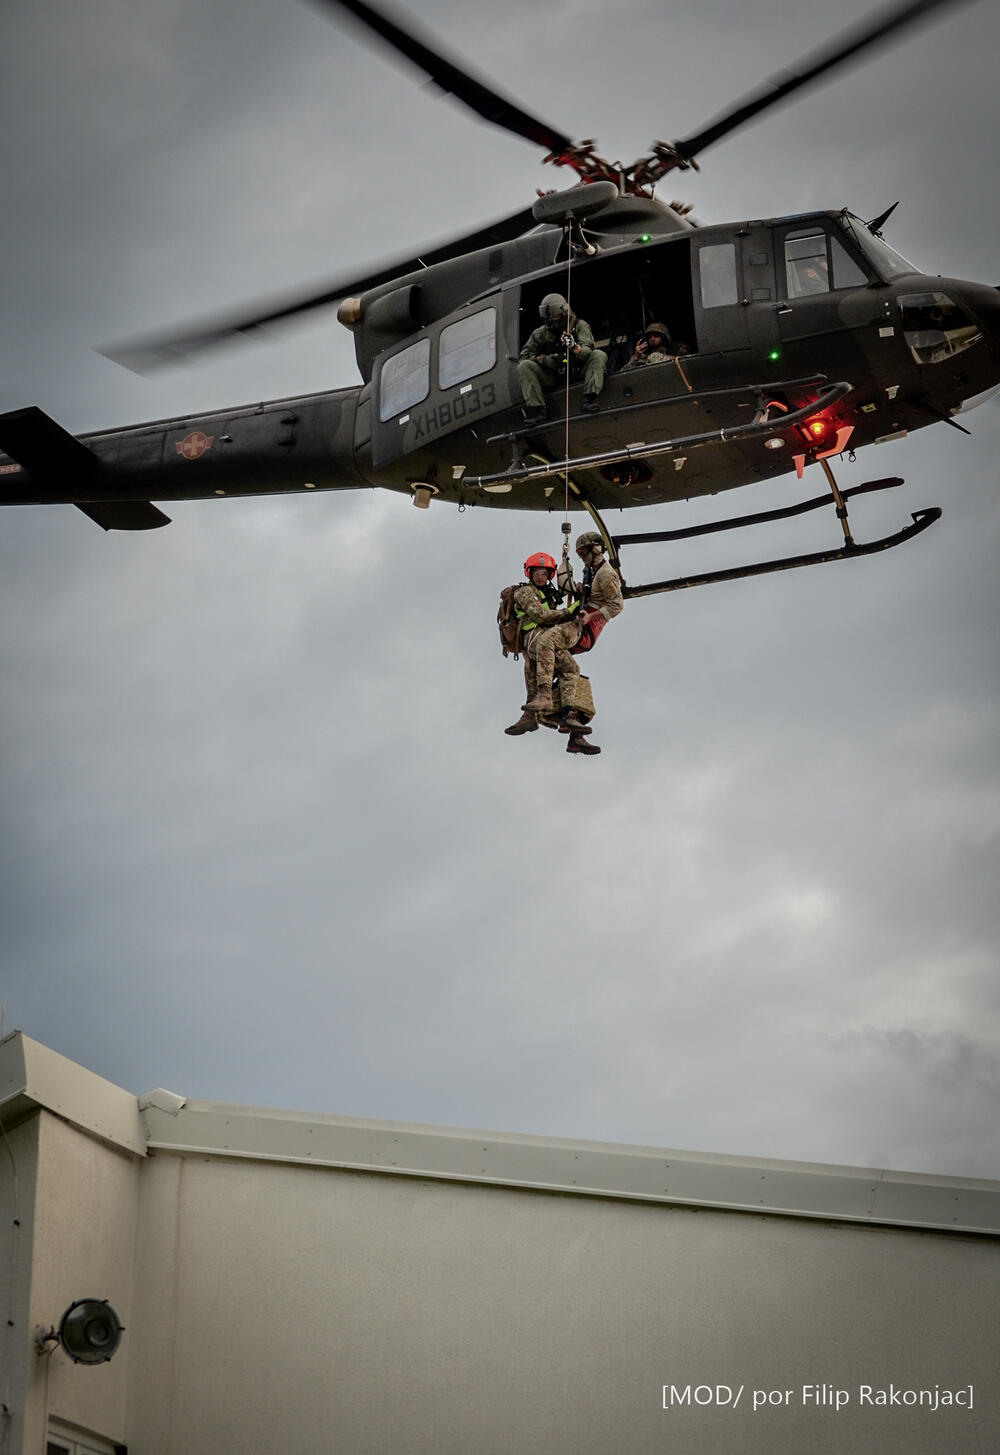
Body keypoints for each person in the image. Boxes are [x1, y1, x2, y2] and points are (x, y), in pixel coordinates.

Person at [504, 551, 598, 754]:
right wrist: (571, 610)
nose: (541, 576)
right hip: (535, 638)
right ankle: (548, 701)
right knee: (564, 668)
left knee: (570, 671)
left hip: (548, 640)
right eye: (538, 572)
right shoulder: (525, 592)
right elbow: (541, 615)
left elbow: (562, 596)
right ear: (530, 573)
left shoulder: (548, 593)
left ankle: (573, 730)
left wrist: (577, 589)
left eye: (545, 573)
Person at [518, 294, 608, 423]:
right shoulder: (541, 333)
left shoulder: (579, 326)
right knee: (524, 366)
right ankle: (541, 411)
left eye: (555, 317)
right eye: (548, 318)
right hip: (554, 376)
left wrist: (574, 347)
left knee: (599, 355)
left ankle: (589, 400)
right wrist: (544, 360)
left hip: (579, 371)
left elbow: (587, 350)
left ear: (564, 312)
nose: (552, 321)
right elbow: (524, 356)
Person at [622, 322, 687, 370]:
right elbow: (623, 374)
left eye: (656, 336)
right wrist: (636, 358)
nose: (652, 339)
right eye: (650, 337)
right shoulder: (642, 359)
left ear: (663, 338)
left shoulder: (675, 358)